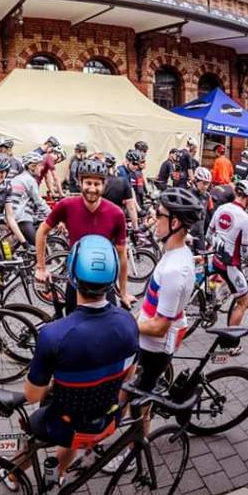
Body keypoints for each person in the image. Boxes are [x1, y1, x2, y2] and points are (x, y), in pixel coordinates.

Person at [4, 234, 139, 488]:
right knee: (74, 430)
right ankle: (58, 475)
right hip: (106, 419)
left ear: (72, 276)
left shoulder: (54, 334)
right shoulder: (129, 323)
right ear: (112, 280)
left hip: (62, 424)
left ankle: (12, 474)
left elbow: (33, 395)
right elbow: (128, 375)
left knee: (36, 426)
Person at [104, 188, 200, 473]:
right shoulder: (176, 253)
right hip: (149, 341)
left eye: (159, 215)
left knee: (136, 401)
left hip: (154, 347)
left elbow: (159, 326)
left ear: (175, 223)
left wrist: (127, 324)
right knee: (133, 396)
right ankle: (127, 439)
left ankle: (135, 453)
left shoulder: (175, 271)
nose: (152, 218)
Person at [35, 159, 132, 312]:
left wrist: (124, 292)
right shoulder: (66, 206)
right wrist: (41, 267)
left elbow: (122, 255)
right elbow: (42, 231)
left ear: (104, 185)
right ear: (80, 183)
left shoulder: (116, 213)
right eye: (88, 183)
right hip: (76, 280)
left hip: (105, 282)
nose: (92, 189)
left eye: (97, 184)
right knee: (74, 328)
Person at [207, 179, 248, 339]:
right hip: (229, 266)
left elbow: (209, 235)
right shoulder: (246, 219)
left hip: (215, 257)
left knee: (223, 282)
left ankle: (214, 300)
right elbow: (243, 252)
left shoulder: (222, 208)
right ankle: (230, 343)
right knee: (242, 302)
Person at [10, 153, 51, 247]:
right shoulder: (30, 180)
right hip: (22, 218)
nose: (42, 168)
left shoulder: (18, 178)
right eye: (40, 165)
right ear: (32, 166)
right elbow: (39, 202)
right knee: (40, 246)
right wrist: (53, 215)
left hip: (13, 216)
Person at [102, 154, 139, 233]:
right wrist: (136, 229)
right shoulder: (122, 181)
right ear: (113, 167)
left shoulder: (95, 184)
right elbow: (131, 208)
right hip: (115, 221)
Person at [117, 149, 147, 217]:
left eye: (137, 164)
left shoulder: (128, 171)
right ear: (127, 161)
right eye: (134, 164)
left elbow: (132, 190)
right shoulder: (122, 172)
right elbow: (130, 194)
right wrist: (139, 210)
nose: (136, 167)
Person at [189, 167, 213, 251]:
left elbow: (210, 215)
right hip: (189, 233)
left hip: (200, 233)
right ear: (196, 181)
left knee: (203, 259)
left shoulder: (207, 196)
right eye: (204, 183)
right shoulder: (188, 195)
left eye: (208, 184)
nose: (206, 187)